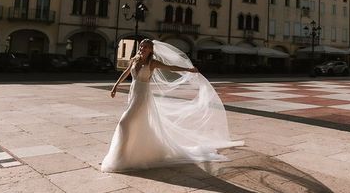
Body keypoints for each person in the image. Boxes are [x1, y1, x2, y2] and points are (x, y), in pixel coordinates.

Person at [101, 39, 243, 173]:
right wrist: (115, 87)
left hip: (142, 96)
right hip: (133, 93)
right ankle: (130, 154)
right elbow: (125, 73)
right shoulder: (134, 60)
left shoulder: (153, 63)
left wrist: (188, 69)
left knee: (124, 123)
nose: (142, 48)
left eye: (145, 47)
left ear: (151, 50)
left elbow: (171, 67)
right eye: (141, 46)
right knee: (136, 124)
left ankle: (119, 158)